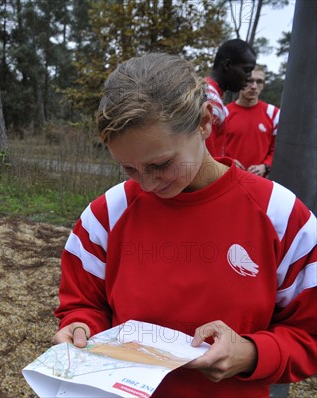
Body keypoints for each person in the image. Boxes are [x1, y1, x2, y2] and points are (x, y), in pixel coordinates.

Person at [52, 53, 316, 397]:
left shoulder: (281, 216)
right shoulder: (105, 216)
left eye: (160, 164)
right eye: (129, 169)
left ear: (204, 122)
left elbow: (308, 333)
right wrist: (79, 328)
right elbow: (83, 304)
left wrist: (251, 354)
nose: (146, 185)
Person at [204, 39, 257, 157]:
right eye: (247, 70)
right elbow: (207, 161)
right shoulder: (210, 101)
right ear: (227, 65)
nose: (249, 78)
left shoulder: (209, 93)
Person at [224, 65, 279, 177]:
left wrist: (265, 166)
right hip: (228, 178)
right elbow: (212, 149)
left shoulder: (274, 113)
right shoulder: (224, 113)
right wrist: (226, 161)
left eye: (259, 82)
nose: (254, 86)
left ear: (263, 85)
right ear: (240, 82)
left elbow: (277, 150)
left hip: (259, 183)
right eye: (249, 81)